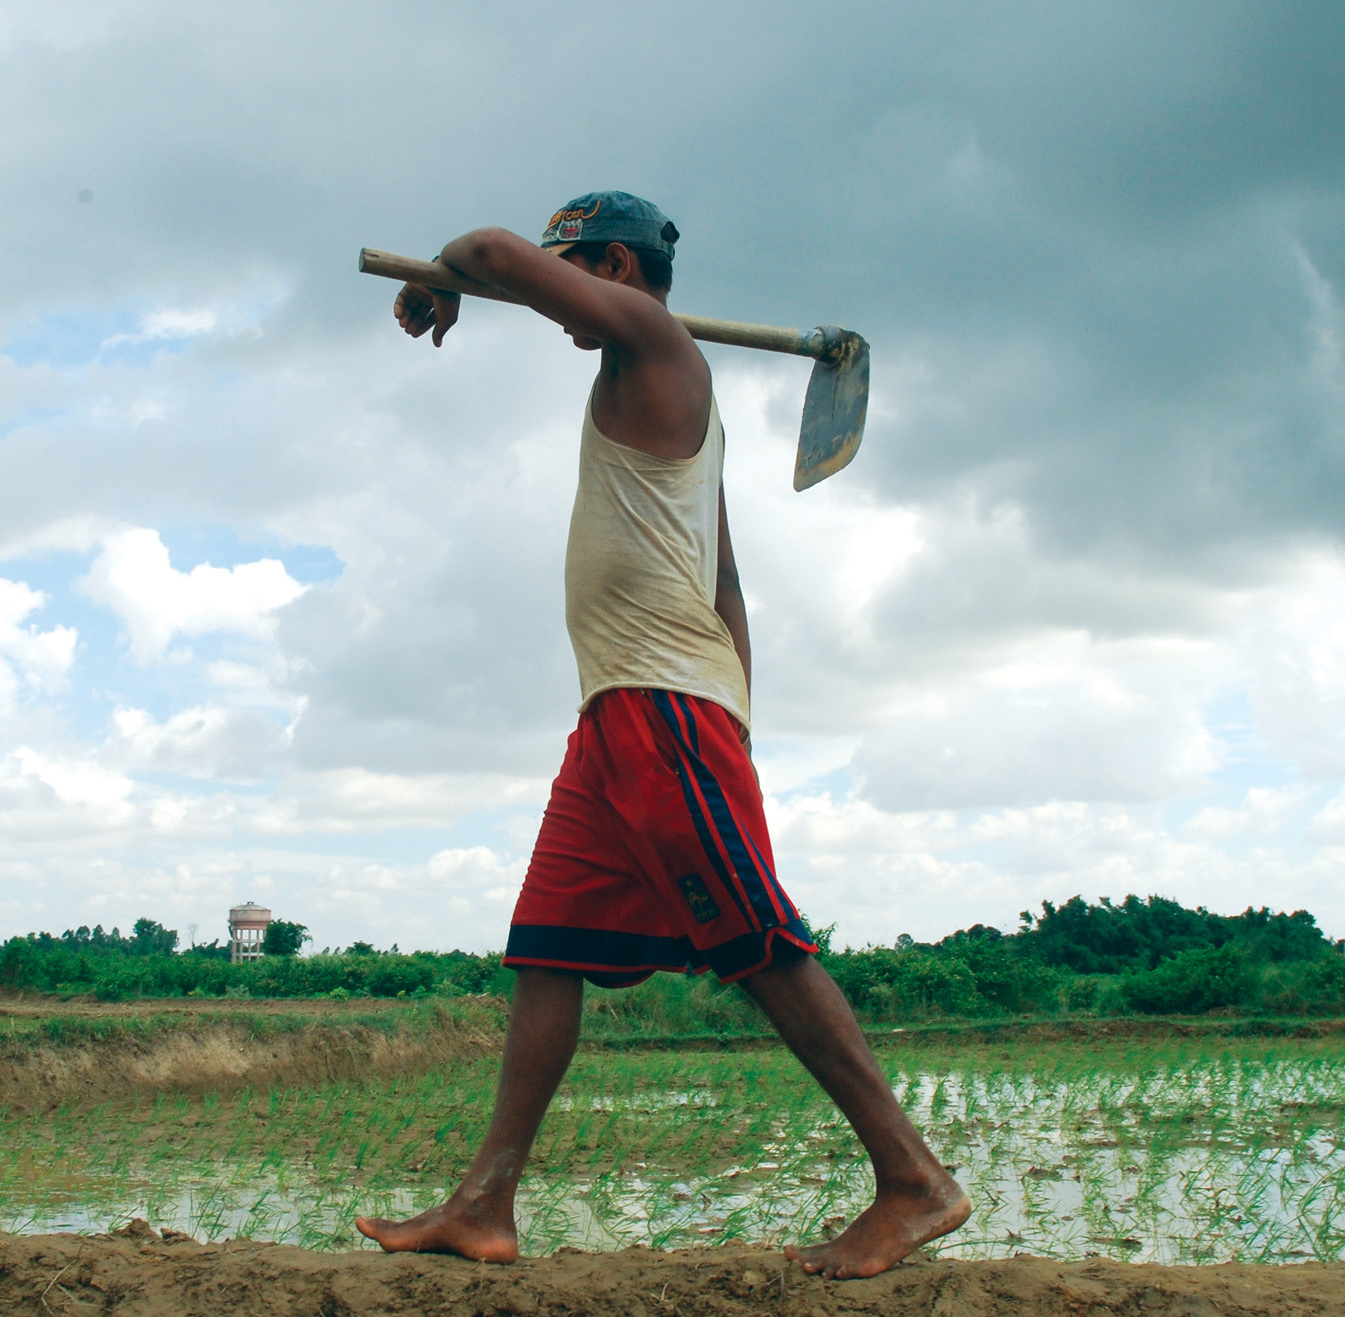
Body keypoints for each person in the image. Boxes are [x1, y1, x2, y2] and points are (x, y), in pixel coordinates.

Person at [354, 192, 970, 1280]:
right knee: (549, 949)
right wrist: (739, 708)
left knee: (757, 944)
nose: (562, 299)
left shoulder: (653, 340)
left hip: (659, 705)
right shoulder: (645, 374)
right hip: (625, 713)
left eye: (578, 273)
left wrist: (447, 276)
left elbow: (490, 250)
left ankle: (913, 1181)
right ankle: (483, 1202)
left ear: (621, 272)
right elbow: (722, 574)